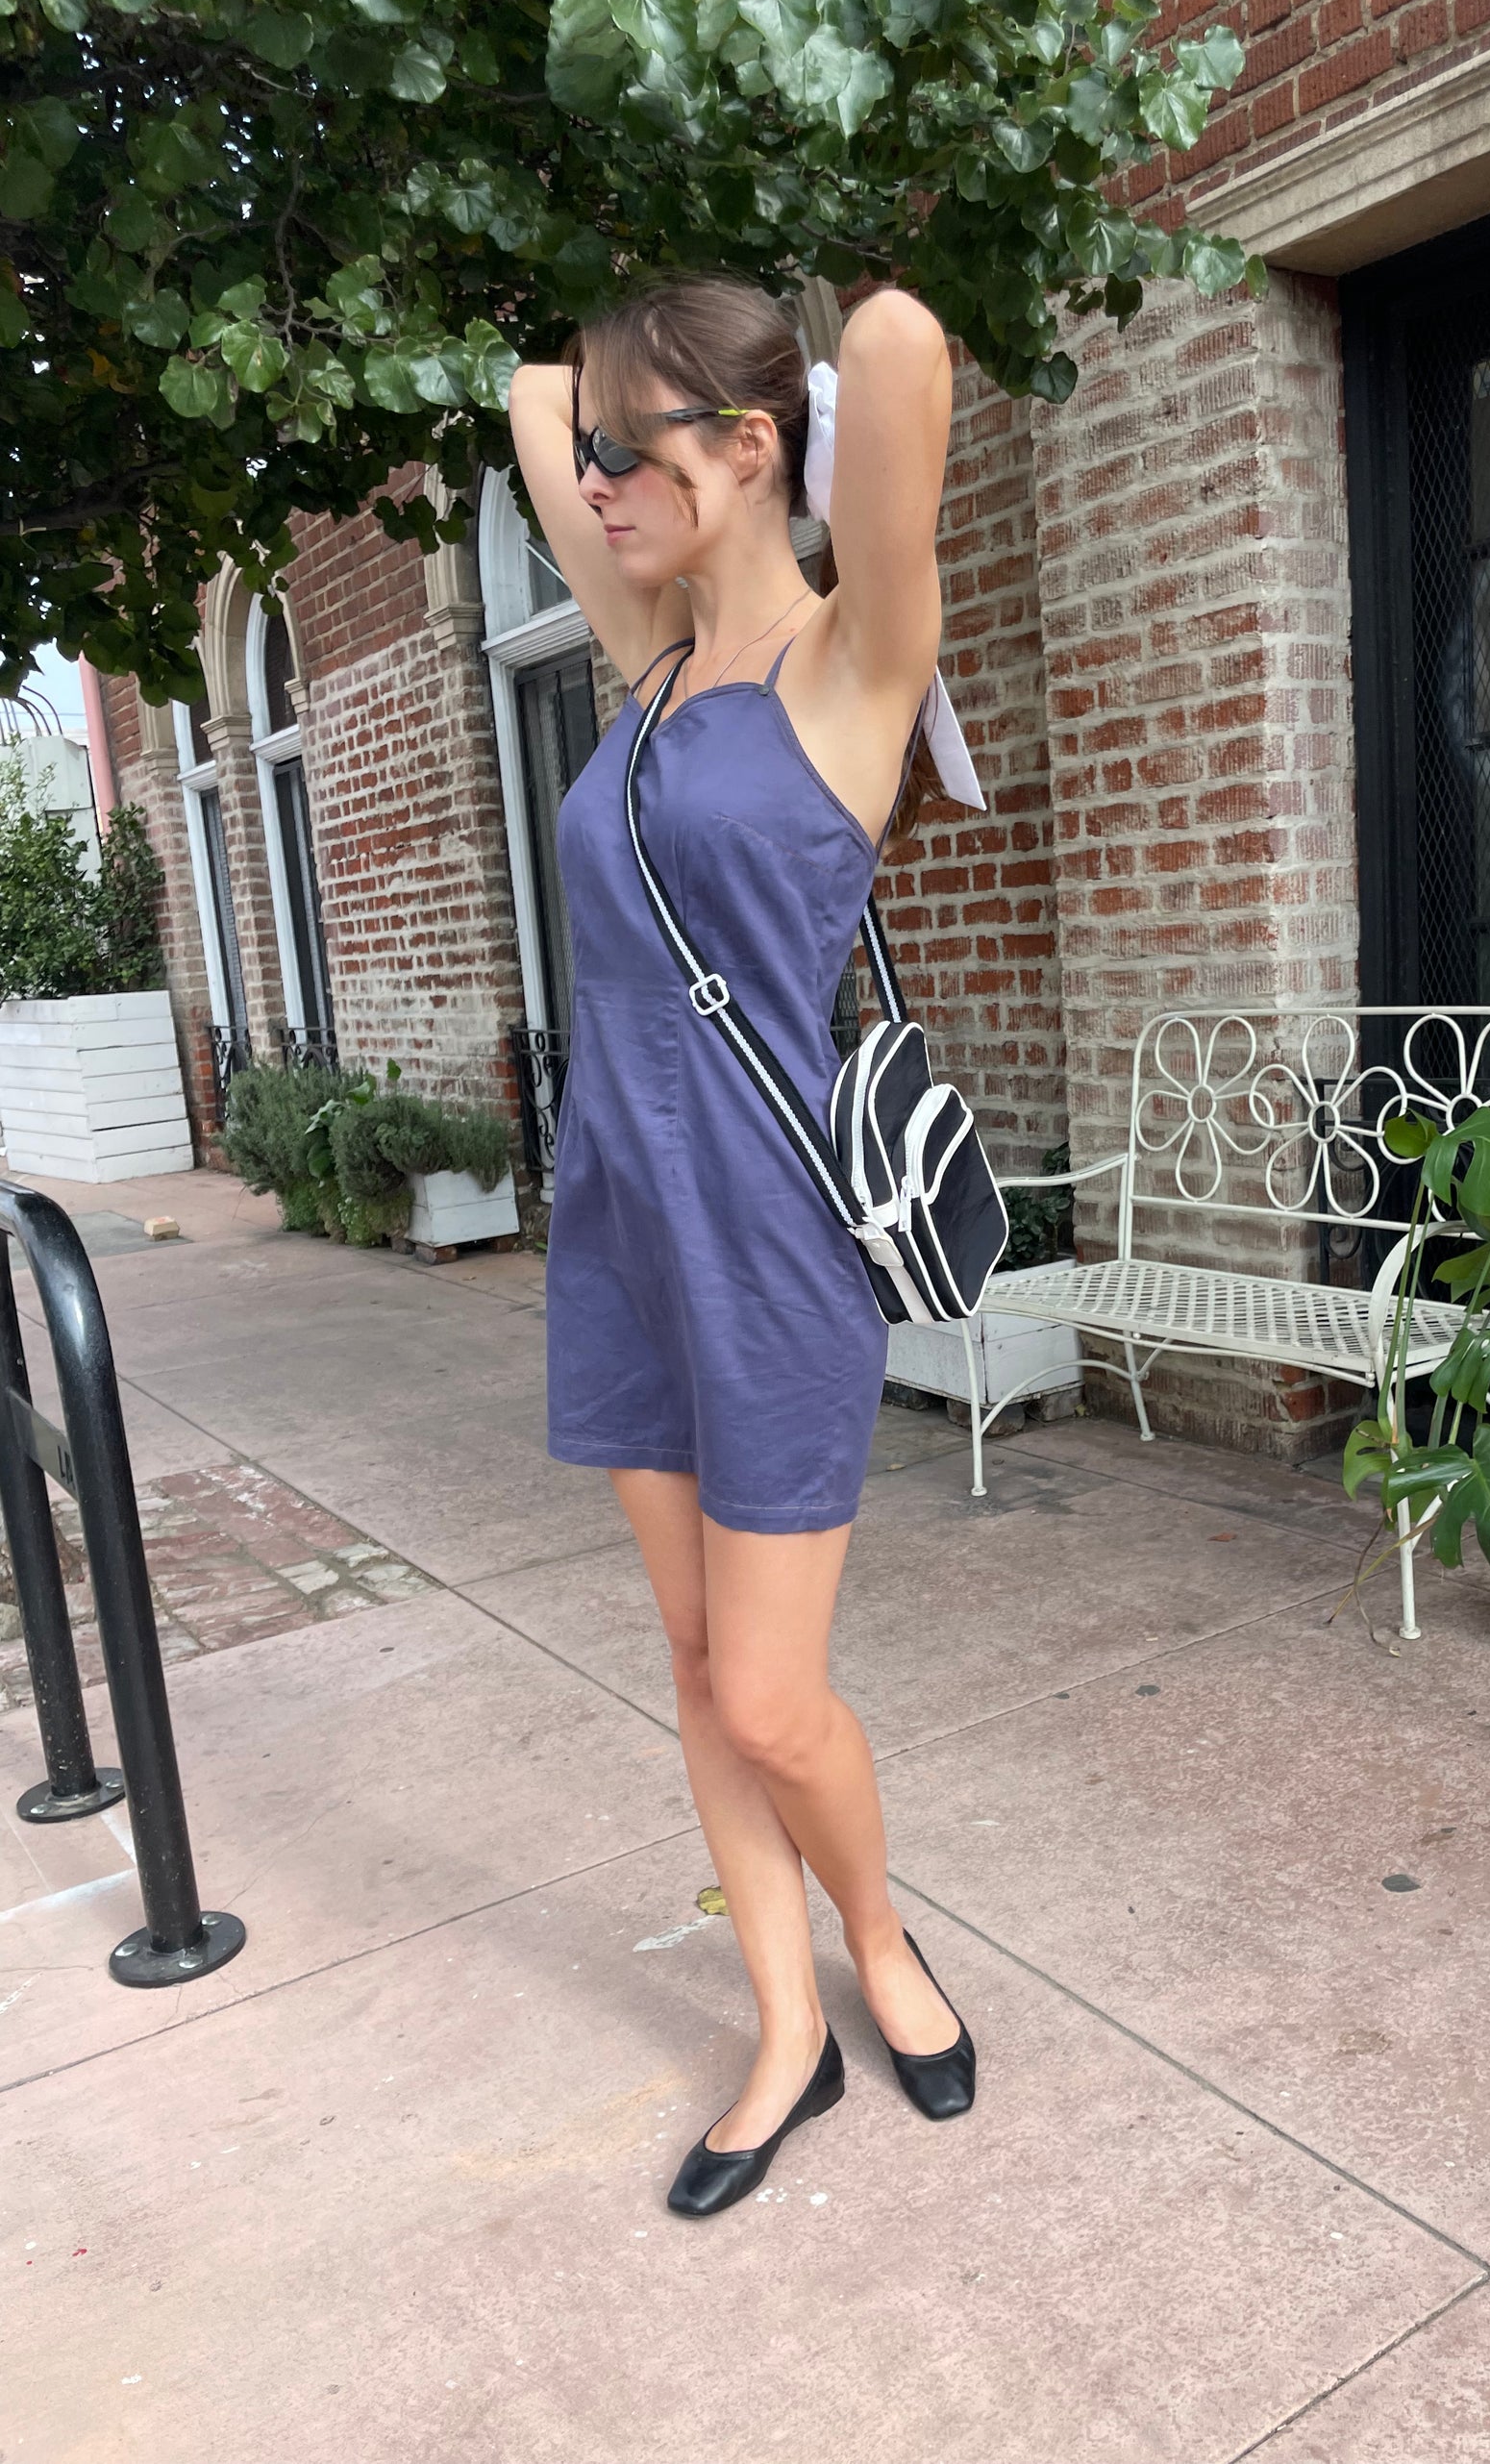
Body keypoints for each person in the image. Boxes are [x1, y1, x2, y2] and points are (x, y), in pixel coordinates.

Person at [508, 276, 976, 2219]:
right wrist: (624, 413)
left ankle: (879, 1935)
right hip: (618, 1233)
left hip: (773, 1252)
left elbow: (904, 346)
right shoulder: (641, 660)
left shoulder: (853, 665)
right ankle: (785, 2030)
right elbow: (530, 389)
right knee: (699, 1665)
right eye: (597, 464)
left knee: (778, 1696)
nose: (594, 484)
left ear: (751, 446)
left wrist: (801, 373)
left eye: (632, 456)